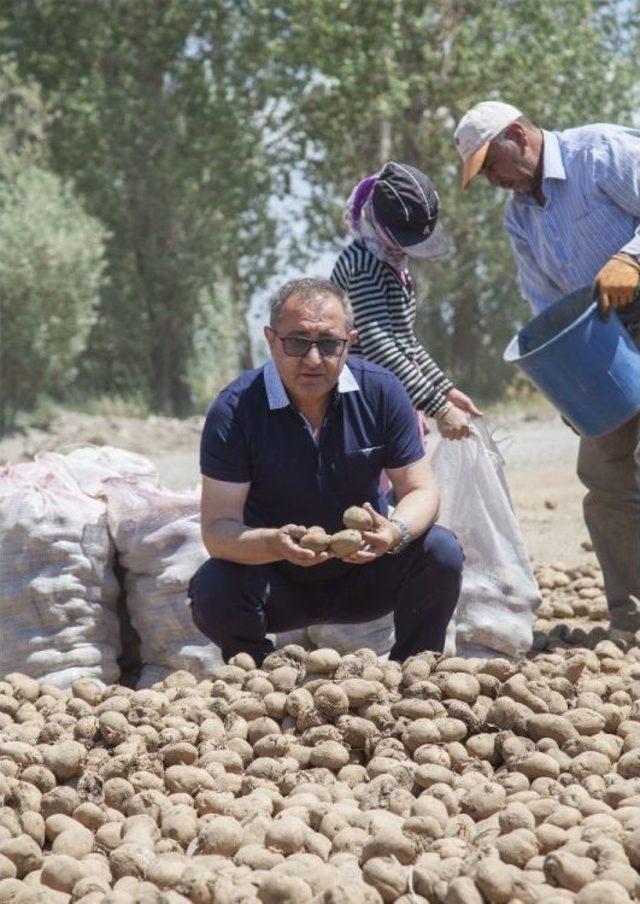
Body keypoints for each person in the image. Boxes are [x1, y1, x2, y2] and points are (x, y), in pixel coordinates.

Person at [188, 277, 464, 665]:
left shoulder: (381, 392)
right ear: (270, 339)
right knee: (212, 586)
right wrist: (273, 542)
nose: (314, 360)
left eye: (329, 344)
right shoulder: (235, 411)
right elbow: (218, 530)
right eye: (297, 342)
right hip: (276, 579)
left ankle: (416, 670)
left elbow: (421, 490)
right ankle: (255, 676)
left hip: (363, 573)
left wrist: (394, 532)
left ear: (349, 341)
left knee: (440, 550)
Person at [453, 100, 640, 640]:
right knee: (606, 475)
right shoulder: (519, 216)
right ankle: (630, 614)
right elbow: (546, 303)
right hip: (604, 336)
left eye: (491, 163)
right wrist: (567, 384)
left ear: (517, 134)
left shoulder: (599, 153)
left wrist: (632, 257)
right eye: (483, 173)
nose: (491, 179)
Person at [331, 161, 482, 441]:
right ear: (379, 221)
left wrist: (445, 389)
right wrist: (440, 407)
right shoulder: (365, 265)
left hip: (389, 393)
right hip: (366, 402)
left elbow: (405, 342)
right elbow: (379, 346)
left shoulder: (387, 259)